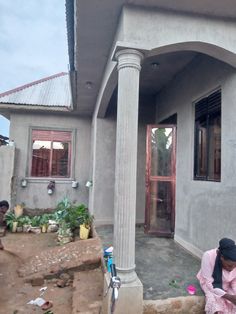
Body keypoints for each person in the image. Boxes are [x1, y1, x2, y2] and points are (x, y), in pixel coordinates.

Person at [197, 238, 236, 314]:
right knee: (214, 303)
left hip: (228, 284)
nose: (232, 269)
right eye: (229, 266)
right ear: (221, 258)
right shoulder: (208, 256)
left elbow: (234, 281)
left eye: (235, 266)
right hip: (210, 284)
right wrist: (229, 297)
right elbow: (209, 283)